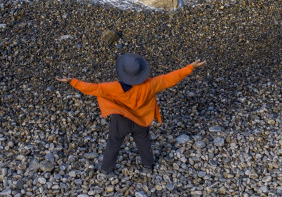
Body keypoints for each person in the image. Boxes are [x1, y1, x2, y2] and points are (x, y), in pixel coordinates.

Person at [56, 54, 206, 175]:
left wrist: (72, 81)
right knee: (144, 142)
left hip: (121, 120)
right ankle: (148, 167)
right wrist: (190, 67)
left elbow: (93, 89)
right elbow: (170, 78)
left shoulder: (114, 87)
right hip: (141, 120)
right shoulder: (151, 84)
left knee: (113, 143)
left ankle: (106, 170)